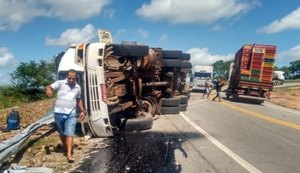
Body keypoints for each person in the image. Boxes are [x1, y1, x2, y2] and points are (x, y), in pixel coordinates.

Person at [45, 69, 85, 163]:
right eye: (70, 78)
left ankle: (69, 154)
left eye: (73, 79)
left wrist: (82, 111)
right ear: (67, 77)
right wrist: (48, 90)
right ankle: (65, 146)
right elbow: (48, 87)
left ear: (76, 78)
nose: (71, 80)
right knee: (62, 133)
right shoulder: (60, 83)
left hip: (71, 113)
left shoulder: (78, 87)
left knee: (70, 133)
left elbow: (78, 100)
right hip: (58, 113)